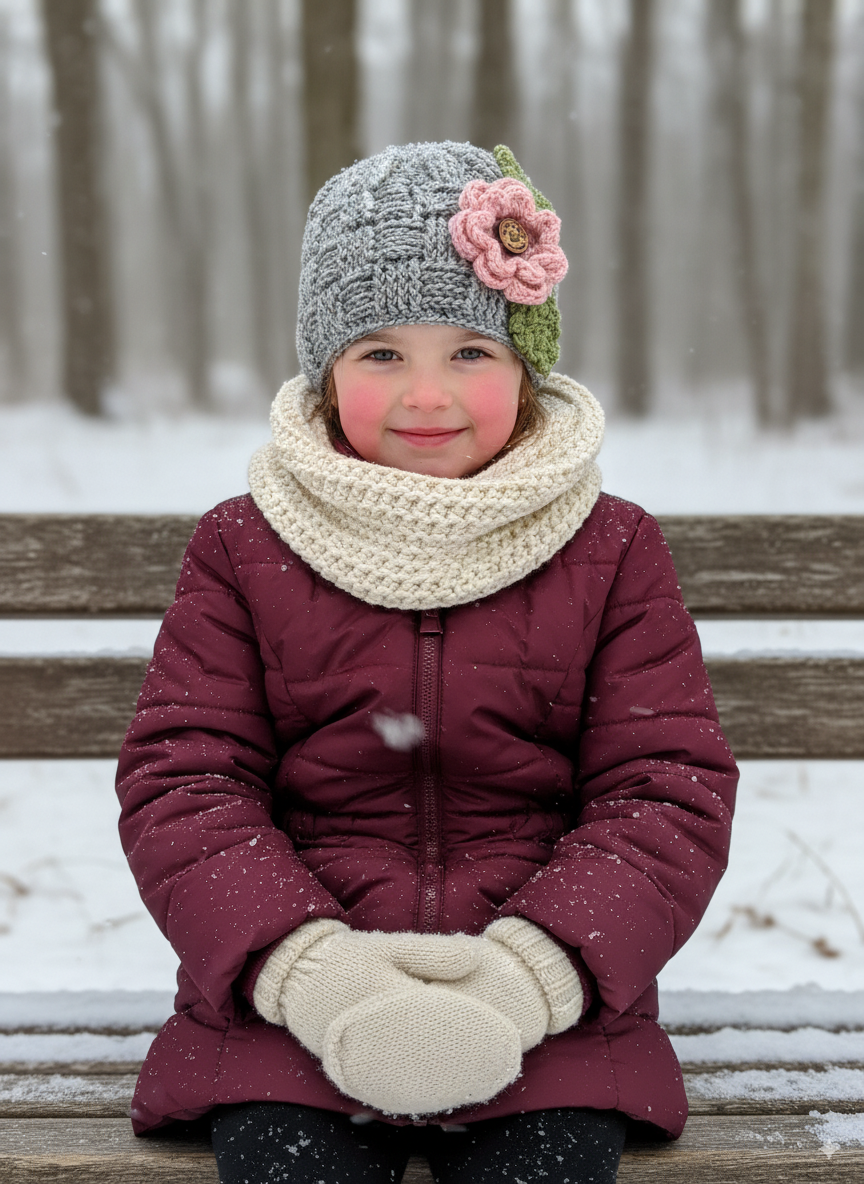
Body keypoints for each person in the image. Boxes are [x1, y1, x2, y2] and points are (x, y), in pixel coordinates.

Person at [116, 141, 738, 1184]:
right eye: (380, 354)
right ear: (324, 372)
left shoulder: (611, 544)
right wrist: (308, 970)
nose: (426, 394)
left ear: (525, 367)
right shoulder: (244, 541)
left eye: (468, 352)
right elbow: (186, 781)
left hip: (549, 1014)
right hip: (291, 1011)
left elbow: (663, 788)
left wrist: (530, 974)